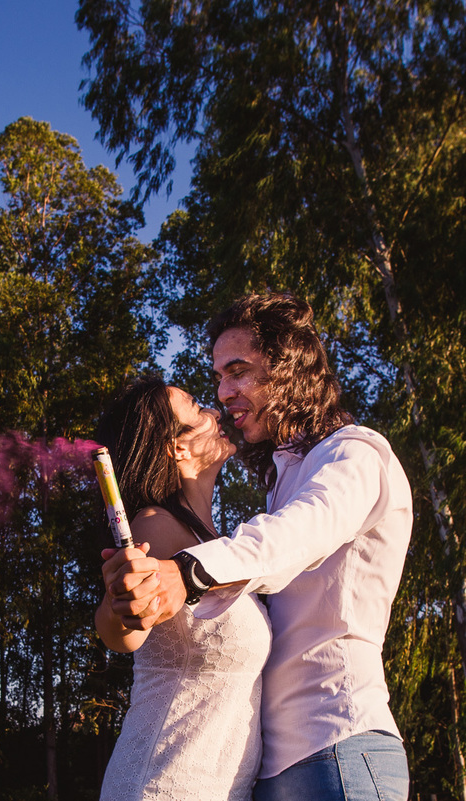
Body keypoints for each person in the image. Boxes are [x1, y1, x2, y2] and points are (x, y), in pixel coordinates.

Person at [104, 292, 412, 800]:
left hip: (337, 740)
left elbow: (297, 534)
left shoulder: (355, 454)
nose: (223, 393)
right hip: (270, 769)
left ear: (289, 369)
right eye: (218, 378)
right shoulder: (281, 482)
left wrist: (186, 573)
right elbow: (122, 628)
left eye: (238, 371)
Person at [95, 376, 271, 801]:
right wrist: (125, 604)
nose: (215, 413)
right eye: (198, 409)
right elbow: (121, 631)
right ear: (178, 448)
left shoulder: (209, 541)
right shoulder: (157, 525)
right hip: (162, 785)